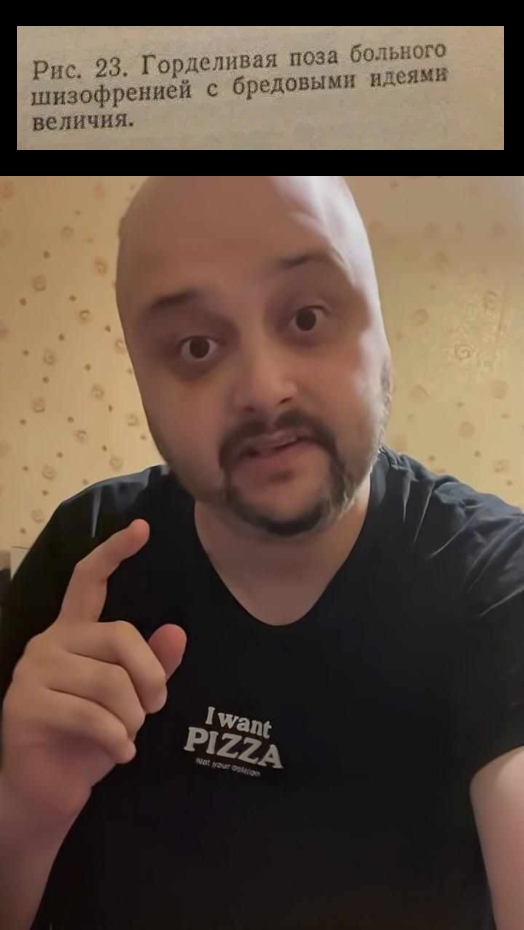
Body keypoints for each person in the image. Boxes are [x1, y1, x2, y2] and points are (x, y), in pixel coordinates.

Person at [0, 176, 522, 930]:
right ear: (142, 382)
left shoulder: (497, 580)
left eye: (307, 317)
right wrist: (24, 807)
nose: (264, 388)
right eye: (197, 346)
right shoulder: (86, 557)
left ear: (380, 330)